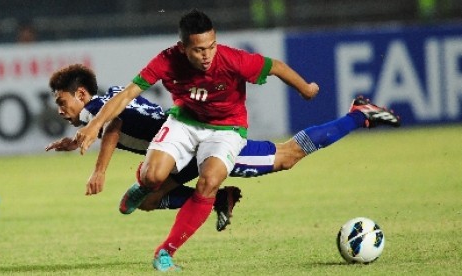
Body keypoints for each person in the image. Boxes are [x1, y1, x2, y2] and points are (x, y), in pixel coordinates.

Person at [70, 9, 395, 272]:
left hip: (225, 132)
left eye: (211, 46)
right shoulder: (167, 60)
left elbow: (276, 66)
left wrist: (306, 88)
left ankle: (166, 252)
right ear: (183, 47)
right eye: (199, 49)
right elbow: (127, 94)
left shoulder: (231, 59)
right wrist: (92, 124)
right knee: (152, 183)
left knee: (270, 162)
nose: (208, 54)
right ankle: (145, 184)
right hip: (184, 124)